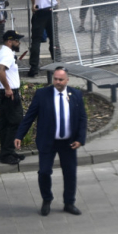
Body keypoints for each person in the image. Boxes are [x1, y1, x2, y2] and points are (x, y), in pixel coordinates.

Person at [15, 66, 88, 217]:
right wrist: (19, 135)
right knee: (44, 172)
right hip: (48, 141)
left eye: (61, 79)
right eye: (55, 79)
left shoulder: (75, 95)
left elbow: (82, 118)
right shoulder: (43, 94)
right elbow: (30, 116)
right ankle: (46, 200)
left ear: (67, 80)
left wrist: (80, 139)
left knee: (70, 173)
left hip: (68, 143)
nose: (57, 82)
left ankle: (69, 203)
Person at [0, 30, 26, 165]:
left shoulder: (4, 52)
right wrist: (8, 88)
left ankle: (7, 151)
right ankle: (6, 154)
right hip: (9, 94)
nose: (18, 42)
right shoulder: (7, 54)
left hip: (3, 93)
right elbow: (0, 71)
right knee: (16, 122)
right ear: (9, 41)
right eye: (16, 40)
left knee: (6, 124)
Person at [27, 0, 60, 77]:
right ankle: (58, 65)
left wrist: (33, 4)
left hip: (40, 12)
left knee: (36, 40)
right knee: (54, 39)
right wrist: (57, 10)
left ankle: (34, 68)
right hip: (52, 10)